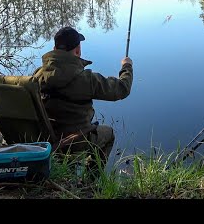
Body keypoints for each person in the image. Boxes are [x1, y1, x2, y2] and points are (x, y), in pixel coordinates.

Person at [32, 26, 133, 168]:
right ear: (78, 51)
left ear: (55, 49)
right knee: (108, 134)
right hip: (74, 141)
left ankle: (66, 166)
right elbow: (122, 89)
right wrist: (126, 67)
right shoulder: (86, 80)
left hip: (45, 137)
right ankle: (92, 183)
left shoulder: (37, 75)